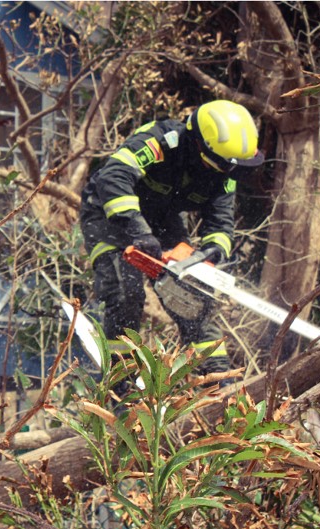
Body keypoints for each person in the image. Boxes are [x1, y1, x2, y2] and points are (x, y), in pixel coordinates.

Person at [79, 99, 264, 382]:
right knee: (125, 293)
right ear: (201, 145)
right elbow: (113, 176)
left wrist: (211, 253)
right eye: (222, 165)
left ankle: (219, 382)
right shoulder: (162, 141)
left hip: (162, 219)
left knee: (192, 298)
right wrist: (138, 230)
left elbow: (221, 226)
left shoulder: (225, 173)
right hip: (108, 212)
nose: (227, 172)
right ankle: (119, 385)